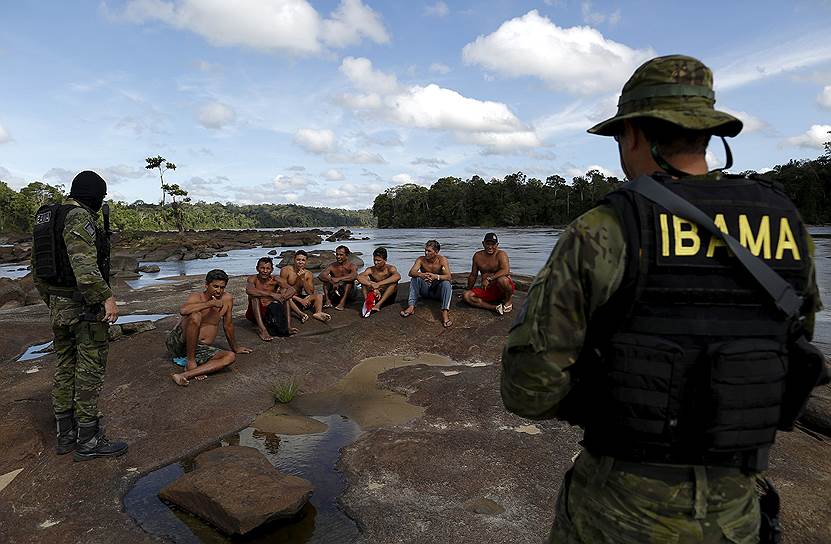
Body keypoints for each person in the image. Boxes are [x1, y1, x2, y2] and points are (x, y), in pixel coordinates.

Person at [501, 55, 823, 543]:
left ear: (632, 133)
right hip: (735, 513)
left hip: (614, 513)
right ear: (707, 134)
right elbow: (794, 350)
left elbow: (528, 389)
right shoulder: (788, 225)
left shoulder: (605, 229)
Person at [31, 170, 128, 461]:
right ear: (94, 195)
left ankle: (66, 434)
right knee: (89, 372)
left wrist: (53, 301)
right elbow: (84, 266)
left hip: (60, 305)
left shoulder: (50, 217)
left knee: (65, 366)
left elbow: (36, 269)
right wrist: (106, 298)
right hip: (84, 307)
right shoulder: (79, 217)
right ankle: (88, 440)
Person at [167, 269, 252, 387]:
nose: (218, 290)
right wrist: (209, 304)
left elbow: (228, 325)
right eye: (215, 286)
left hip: (200, 349)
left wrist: (235, 348)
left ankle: (185, 375)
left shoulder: (227, 299)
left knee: (230, 356)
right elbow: (183, 310)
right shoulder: (197, 297)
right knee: (195, 315)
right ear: (206, 284)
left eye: (222, 287)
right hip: (180, 344)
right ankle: (190, 362)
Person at [401, 240, 453, 327]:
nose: (426, 253)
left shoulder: (442, 260)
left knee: (447, 284)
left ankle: (445, 313)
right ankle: (411, 306)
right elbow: (411, 272)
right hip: (425, 290)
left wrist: (436, 277)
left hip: (437, 292)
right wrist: (421, 274)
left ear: (436, 252)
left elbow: (448, 277)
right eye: (425, 250)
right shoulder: (421, 259)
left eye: (429, 251)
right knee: (415, 278)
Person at [462, 232, 515, 315]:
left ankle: (508, 300)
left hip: (501, 289)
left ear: (497, 244)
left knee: (503, 280)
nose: (490, 247)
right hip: (487, 290)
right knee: (466, 295)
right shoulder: (477, 256)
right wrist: (468, 288)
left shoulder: (501, 254)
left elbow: (506, 270)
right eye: (487, 244)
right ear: (483, 243)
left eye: (493, 244)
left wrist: (489, 279)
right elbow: (473, 275)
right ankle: (495, 308)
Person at [245, 257, 297, 340]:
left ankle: (288, 326)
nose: (265, 271)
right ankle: (262, 330)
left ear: (272, 270)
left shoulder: (275, 279)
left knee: (286, 297)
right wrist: (271, 294)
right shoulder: (253, 278)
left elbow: (292, 290)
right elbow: (249, 290)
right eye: (262, 268)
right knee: (255, 297)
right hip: (255, 312)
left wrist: (282, 297)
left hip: (270, 312)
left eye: (268, 268)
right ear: (257, 268)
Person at [280, 250, 330, 323]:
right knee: (287, 298)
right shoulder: (286, 270)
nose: (300, 262)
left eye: (303, 260)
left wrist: (303, 280)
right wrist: (300, 300)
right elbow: (282, 291)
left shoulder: (308, 273)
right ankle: (301, 314)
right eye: (298, 260)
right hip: (289, 298)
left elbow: (310, 292)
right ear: (294, 260)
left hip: (299, 297)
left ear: (306, 261)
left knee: (319, 295)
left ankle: (318, 313)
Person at [357, 247, 401, 315]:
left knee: (394, 283)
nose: (375, 262)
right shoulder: (371, 269)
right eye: (374, 260)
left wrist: (379, 284)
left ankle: (378, 305)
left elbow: (397, 276)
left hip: (387, 297)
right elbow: (359, 276)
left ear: (385, 260)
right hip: (375, 295)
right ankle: (367, 302)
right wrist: (371, 284)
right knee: (364, 282)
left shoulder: (390, 268)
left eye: (378, 260)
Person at [319, 245, 358, 311]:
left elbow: (354, 276)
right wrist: (332, 281)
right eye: (337, 254)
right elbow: (321, 275)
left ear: (347, 255)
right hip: (335, 292)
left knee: (349, 282)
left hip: (350, 294)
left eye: (341, 255)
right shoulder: (332, 266)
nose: (338, 257)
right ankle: (328, 301)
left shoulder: (352, 266)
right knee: (326, 280)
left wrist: (339, 279)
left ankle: (342, 303)